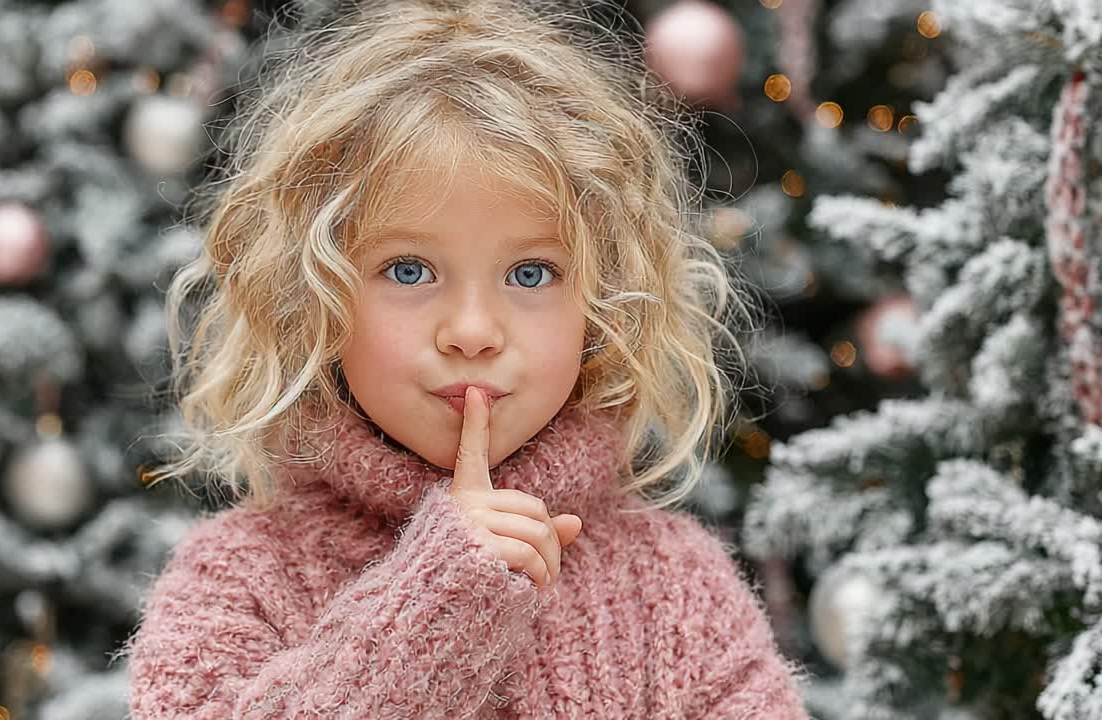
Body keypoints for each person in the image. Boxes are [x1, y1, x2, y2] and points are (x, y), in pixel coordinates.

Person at [124, 0, 810, 716]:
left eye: (531, 274)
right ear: (313, 297)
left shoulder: (677, 588)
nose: (474, 331)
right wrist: (428, 612)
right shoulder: (235, 581)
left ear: (604, 304)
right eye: (410, 271)